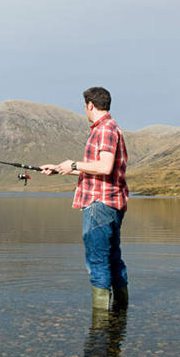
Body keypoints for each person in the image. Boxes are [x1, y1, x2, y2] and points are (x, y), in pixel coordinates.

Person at [40, 86, 129, 311]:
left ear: (90, 105)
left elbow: (105, 166)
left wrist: (74, 164)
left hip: (99, 204)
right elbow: (95, 169)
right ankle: (120, 313)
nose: (85, 110)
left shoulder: (105, 130)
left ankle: (100, 323)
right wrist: (62, 168)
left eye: (85, 106)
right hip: (111, 202)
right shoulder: (109, 128)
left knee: (97, 261)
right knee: (112, 258)